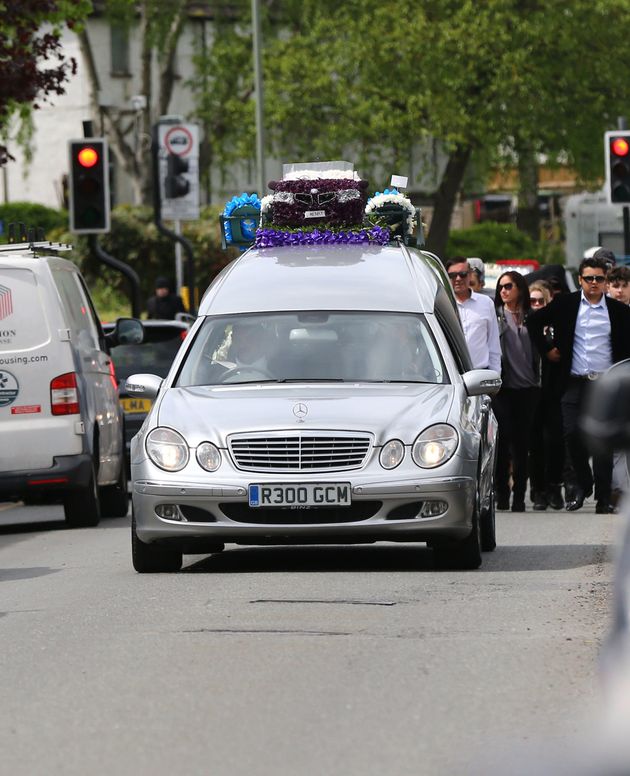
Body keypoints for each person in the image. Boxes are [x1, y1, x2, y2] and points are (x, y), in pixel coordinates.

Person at [526, 255, 630, 513]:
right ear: (581, 280)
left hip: (605, 383)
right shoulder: (566, 304)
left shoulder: (618, 311)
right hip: (573, 381)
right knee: (571, 433)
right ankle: (584, 482)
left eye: (599, 278)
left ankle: (604, 498)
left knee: (605, 442)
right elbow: (534, 321)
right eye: (589, 278)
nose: (594, 283)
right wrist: (548, 349)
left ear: (605, 281)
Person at [493, 271, 540, 512]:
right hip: (504, 389)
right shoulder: (496, 317)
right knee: (503, 442)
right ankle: (502, 492)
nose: (504, 291)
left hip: (529, 389)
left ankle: (520, 495)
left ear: (520, 288)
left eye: (508, 286)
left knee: (522, 445)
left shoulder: (533, 317)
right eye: (501, 287)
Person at [527, 281, 565, 510]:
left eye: (542, 301)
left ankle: (554, 486)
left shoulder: (556, 324)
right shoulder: (525, 326)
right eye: (533, 301)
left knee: (555, 441)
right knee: (534, 442)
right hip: (530, 390)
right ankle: (538, 489)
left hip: (553, 390)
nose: (538, 305)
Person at [446, 257, 501, 373]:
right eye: (452, 275)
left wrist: (495, 375)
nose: (458, 279)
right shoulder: (442, 304)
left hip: (481, 373)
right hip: (451, 375)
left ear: (470, 275)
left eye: (463, 274)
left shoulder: (486, 303)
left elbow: (493, 343)